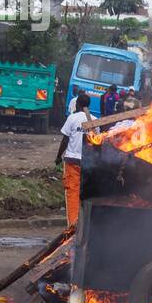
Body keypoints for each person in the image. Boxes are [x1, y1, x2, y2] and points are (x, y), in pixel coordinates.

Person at [57, 93, 95, 228]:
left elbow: (65, 139)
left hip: (73, 161)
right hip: (89, 164)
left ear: (77, 104)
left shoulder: (72, 119)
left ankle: (73, 225)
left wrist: (58, 157)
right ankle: (86, 225)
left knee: (72, 193)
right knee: (86, 195)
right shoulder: (95, 121)